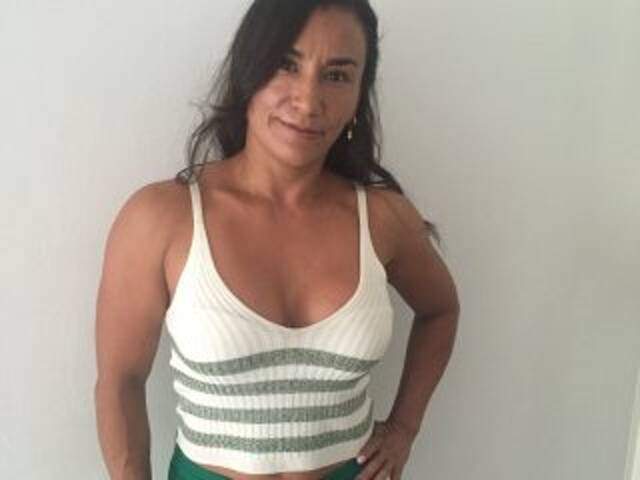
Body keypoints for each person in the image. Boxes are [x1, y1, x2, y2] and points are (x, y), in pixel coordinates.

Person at [94, 0, 460, 479]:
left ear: (358, 96)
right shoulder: (161, 218)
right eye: (286, 65)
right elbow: (119, 382)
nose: (308, 100)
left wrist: (404, 429)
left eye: (337, 75)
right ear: (249, 70)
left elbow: (440, 310)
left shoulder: (384, 218)